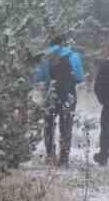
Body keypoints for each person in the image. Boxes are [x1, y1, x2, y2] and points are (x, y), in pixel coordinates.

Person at [31, 33, 85, 167]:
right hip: (68, 94)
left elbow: (38, 77)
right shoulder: (73, 55)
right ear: (64, 43)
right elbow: (79, 77)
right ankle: (64, 159)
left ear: (51, 44)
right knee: (66, 125)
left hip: (51, 93)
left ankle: (50, 155)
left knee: (49, 125)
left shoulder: (46, 56)